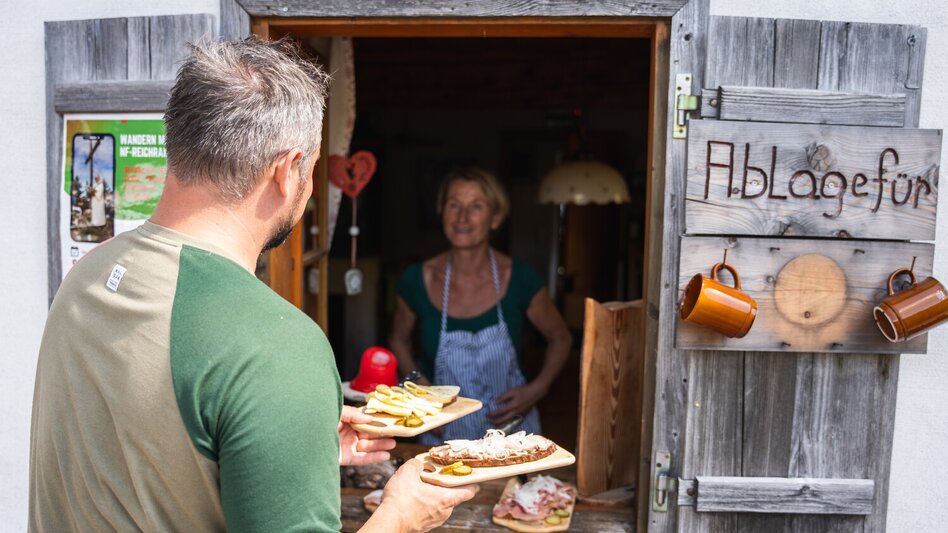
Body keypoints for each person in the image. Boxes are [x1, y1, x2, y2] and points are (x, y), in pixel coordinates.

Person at [30, 38, 474, 533]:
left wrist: (279, 438)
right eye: (310, 171)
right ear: (287, 172)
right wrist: (402, 516)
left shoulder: (87, 275)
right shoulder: (277, 346)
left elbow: (143, 447)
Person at [389, 167, 572, 442]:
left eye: (476, 206)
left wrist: (537, 389)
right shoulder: (417, 280)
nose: (462, 217)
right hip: (443, 434)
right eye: (454, 205)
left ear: (495, 218)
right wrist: (419, 387)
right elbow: (397, 340)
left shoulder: (520, 278)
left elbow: (561, 338)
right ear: (442, 212)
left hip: (512, 435)